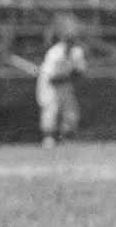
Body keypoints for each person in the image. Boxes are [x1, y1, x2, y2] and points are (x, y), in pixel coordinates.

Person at [37, 16, 88, 147]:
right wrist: (68, 76)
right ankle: (48, 139)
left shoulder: (77, 52)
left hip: (65, 83)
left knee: (71, 111)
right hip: (50, 85)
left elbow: (80, 72)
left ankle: (66, 138)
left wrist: (70, 77)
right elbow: (51, 78)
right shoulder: (54, 53)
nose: (71, 43)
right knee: (50, 109)